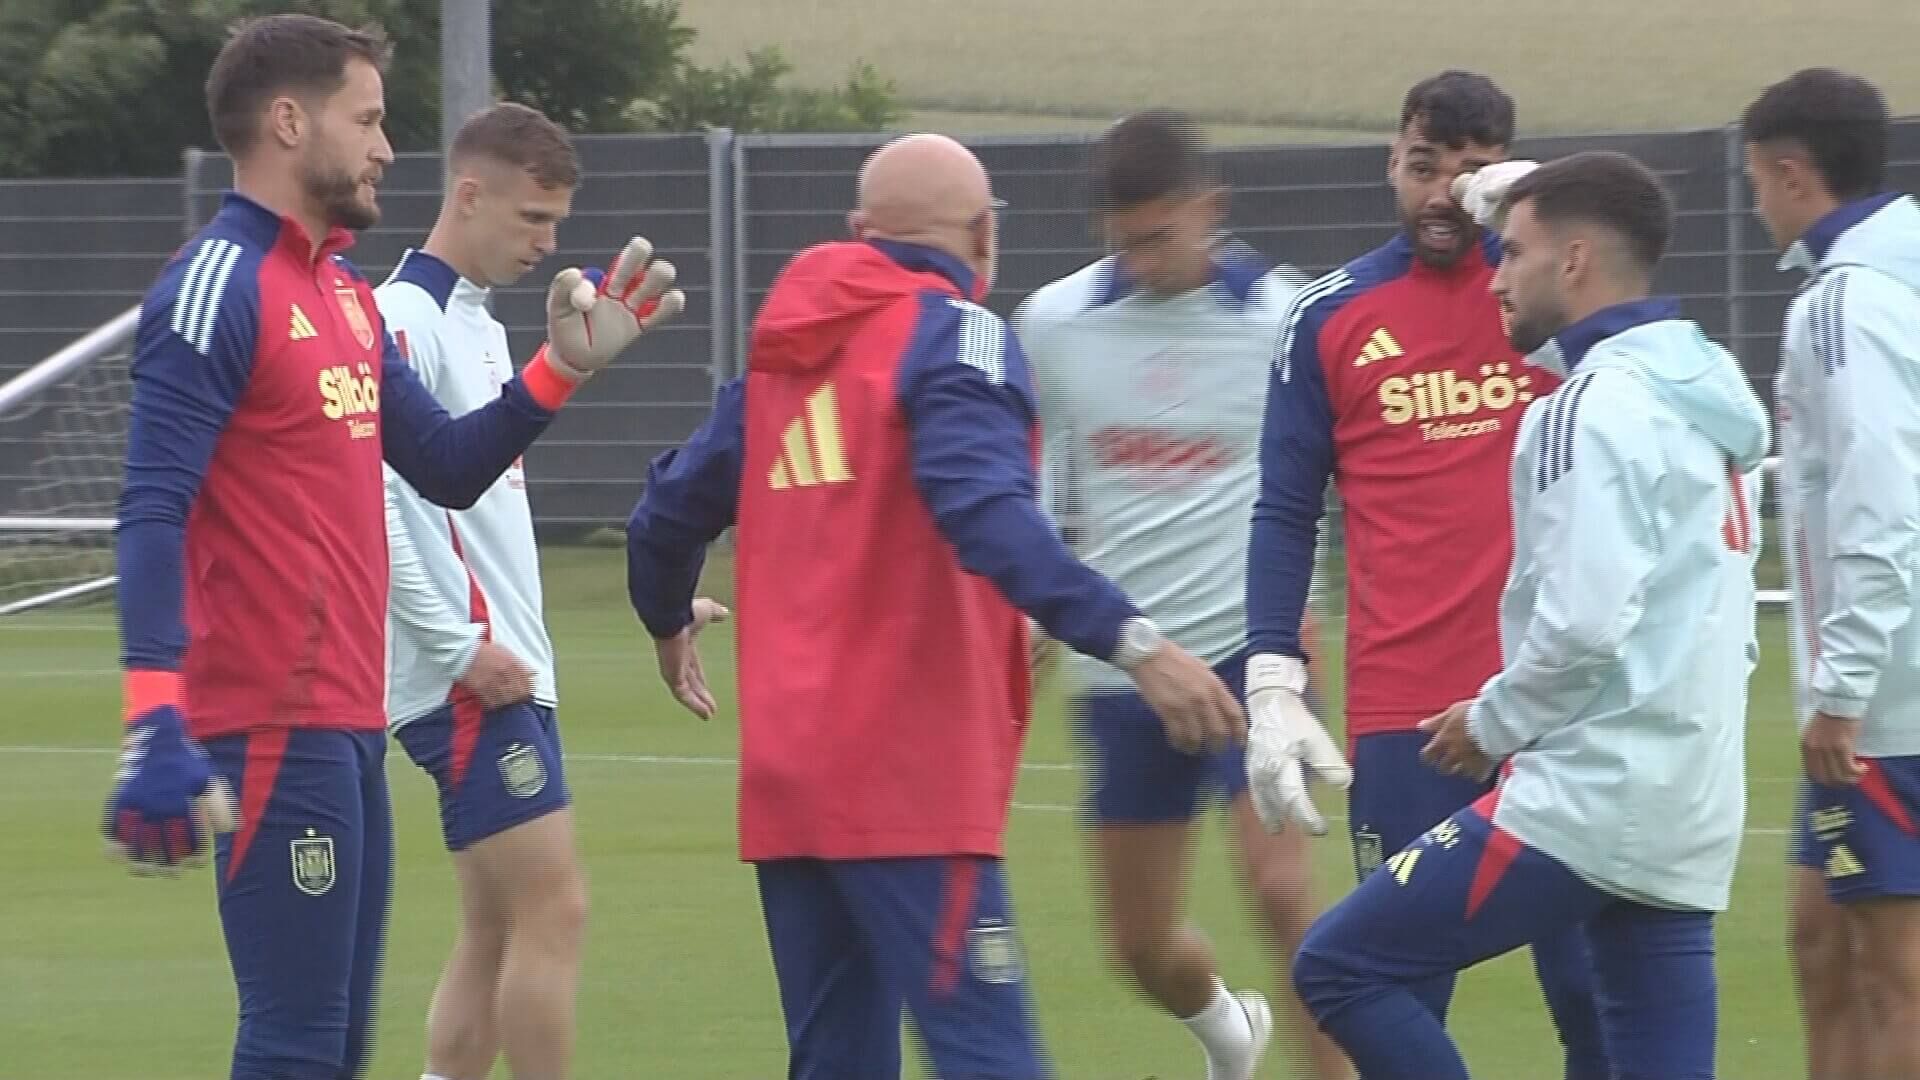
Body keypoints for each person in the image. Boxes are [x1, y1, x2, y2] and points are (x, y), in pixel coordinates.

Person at [99, 15, 682, 1080]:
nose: (383, 148)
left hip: (347, 719)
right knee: (295, 1042)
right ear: (288, 121)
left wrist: (558, 372)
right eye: (365, 120)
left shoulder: (343, 296)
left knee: (334, 1046)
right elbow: (150, 508)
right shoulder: (216, 283)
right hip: (266, 719)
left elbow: (450, 465)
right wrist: (153, 718)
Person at [624, 132, 1245, 1079]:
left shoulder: (783, 363)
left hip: (793, 787)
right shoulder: (961, 335)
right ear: (981, 236)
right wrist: (1137, 645)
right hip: (907, 780)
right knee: (991, 1057)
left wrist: (668, 618)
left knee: (836, 1062)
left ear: (860, 234)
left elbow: (664, 516)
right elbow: (988, 515)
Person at [1289, 149, 1769, 1080]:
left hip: (1587, 800)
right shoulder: (1703, 392)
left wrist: (1492, 721)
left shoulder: (1592, 407)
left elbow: (1586, 626)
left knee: (1341, 967)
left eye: (1510, 254)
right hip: (1689, 799)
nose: (1494, 277)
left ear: (1576, 260)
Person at [1242, 70, 1608, 1078]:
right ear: (1389, 166)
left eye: (1476, 173)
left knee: (1595, 996)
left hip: (1561, 708)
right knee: (1390, 999)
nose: (1444, 194)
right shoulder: (1331, 316)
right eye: (1422, 167)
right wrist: (1272, 674)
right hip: (1409, 722)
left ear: (1514, 177)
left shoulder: (1565, 307)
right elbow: (1282, 507)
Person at [1013, 108, 1347, 1080]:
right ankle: (1223, 1030)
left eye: (1161, 235)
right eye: (1125, 242)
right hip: (1126, 666)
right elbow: (1046, 485)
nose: (1145, 258)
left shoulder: (1286, 316)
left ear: (1210, 209)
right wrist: (1040, 611)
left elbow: (1323, 482)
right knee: (1137, 943)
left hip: (1257, 651)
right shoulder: (1055, 325)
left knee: (1283, 890)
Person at [377, 102, 597, 1080]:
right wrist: (460, 648)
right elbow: (372, 511)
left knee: (495, 928)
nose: (548, 244)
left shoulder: (478, 321)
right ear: (469, 195)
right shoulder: (399, 321)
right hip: (466, 677)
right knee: (556, 908)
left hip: (502, 667)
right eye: (533, 220)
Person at [1745, 66, 1920, 1080]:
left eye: (1757, 181)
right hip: (1876, 692)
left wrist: (1844, 689)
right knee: (1821, 936)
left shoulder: (1845, 301)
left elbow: (1880, 498)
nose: (1756, 202)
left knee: (1895, 970)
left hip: (1890, 702)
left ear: (1791, 171)